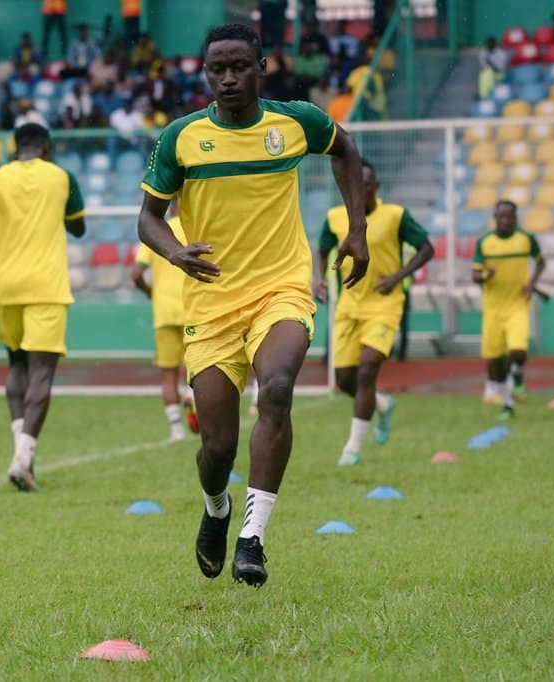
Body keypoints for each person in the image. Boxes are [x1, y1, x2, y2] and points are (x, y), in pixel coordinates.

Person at [137, 23, 368, 588]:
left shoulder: (296, 122)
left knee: (278, 389)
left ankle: (253, 535)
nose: (228, 78)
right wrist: (175, 252)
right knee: (217, 447)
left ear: (261, 68)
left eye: (239, 66)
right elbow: (147, 219)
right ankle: (216, 508)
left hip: (280, 288)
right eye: (217, 69)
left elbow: (345, 148)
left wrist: (357, 229)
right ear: (206, 73)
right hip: (212, 302)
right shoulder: (181, 138)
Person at [0, 123, 86, 492]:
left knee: (17, 365)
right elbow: (78, 228)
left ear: (15, 148)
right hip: (46, 285)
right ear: (46, 147)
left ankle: (20, 453)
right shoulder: (61, 177)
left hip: (7, 284)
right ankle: (24, 456)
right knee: (42, 372)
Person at [316, 160, 433, 466]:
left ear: (376, 187)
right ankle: (381, 404)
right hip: (349, 306)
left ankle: (352, 449)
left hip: (385, 304)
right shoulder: (334, 218)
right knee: (345, 379)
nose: (360, 188)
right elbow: (322, 249)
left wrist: (397, 277)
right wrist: (320, 278)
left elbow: (427, 248)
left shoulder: (395, 216)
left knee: (367, 369)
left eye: (366, 183)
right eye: (354, 183)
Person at [130, 201, 199, 442]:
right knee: (198, 369)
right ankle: (193, 397)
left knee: (169, 374)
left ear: (170, 207)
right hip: (193, 310)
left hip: (165, 313)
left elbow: (136, 274)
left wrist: (151, 293)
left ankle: (176, 430)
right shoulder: (196, 229)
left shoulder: (157, 232)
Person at [471, 200, 545, 418]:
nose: (505, 220)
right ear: (495, 218)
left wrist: (532, 284)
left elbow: (541, 262)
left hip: (517, 305)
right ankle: (507, 403)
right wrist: (486, 275)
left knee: (518, 351)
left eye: (509, 216)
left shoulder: (526, 239)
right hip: (493, 309)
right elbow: (475, 275)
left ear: (515, 218)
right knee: (495, 362)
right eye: (501, 216)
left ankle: (517, 376)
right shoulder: (485, 242)